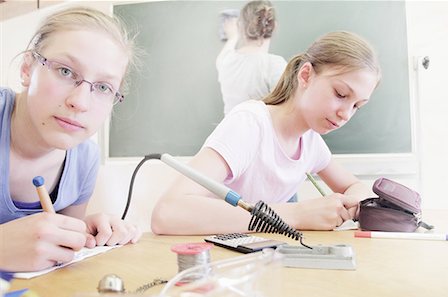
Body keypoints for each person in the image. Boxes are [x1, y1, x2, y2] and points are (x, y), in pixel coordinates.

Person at [151, 31, 381, 235]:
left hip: (258, 259)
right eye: (341, 94)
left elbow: (355, 187)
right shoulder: (250, 124)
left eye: (356, 106)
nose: (346, 114)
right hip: (213, 260)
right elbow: (167, 213)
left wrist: (355, 202)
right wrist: (296, 214)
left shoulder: (311, 143)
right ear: (306, 76)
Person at [0, 6, 142, 272]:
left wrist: (80, 233)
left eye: (103, 87)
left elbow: (57, 266)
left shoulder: (84, 159)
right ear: (27, 69)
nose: (79, 102)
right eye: (65, 71)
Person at [216, 0, 287, 115]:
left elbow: (227, 50)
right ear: (274, 27)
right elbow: (285, 109)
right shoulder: (275, 65)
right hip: (260, 132)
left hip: (230, 131)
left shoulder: (225, 60)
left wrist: (233, 36)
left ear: (240, 27)